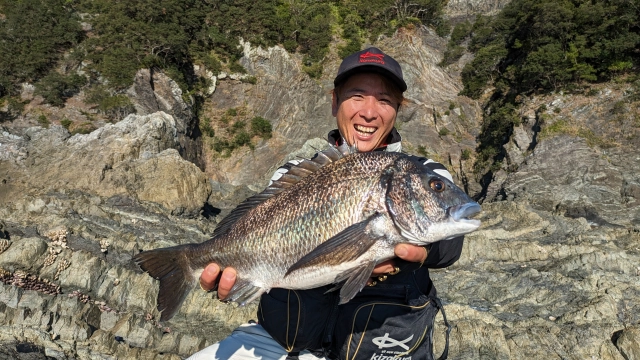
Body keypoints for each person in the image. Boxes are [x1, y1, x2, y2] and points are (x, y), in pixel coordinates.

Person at [189, 47, 463, 360]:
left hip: (380, 350)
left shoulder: (425, 172)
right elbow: (256, 230)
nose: (369, 112)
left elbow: (452, 240)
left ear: (397, 110)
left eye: (384, 100)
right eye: (357, 96)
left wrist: (419, 253)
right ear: (335, 102)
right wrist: (234, 273)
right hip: (285, 343)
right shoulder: (294, 173)